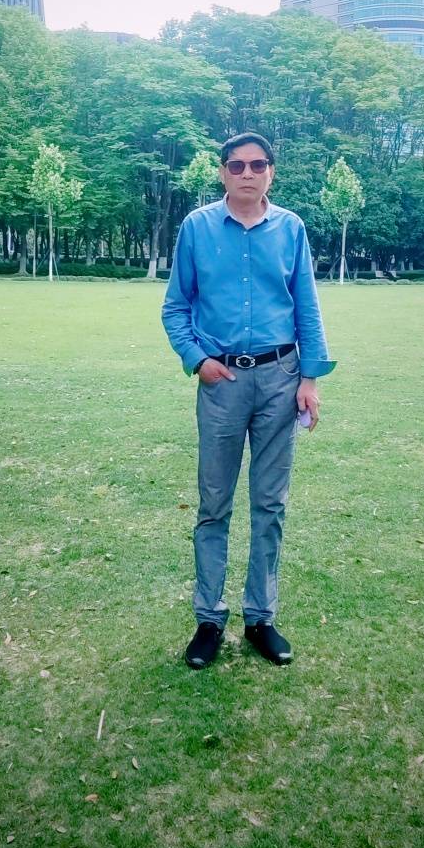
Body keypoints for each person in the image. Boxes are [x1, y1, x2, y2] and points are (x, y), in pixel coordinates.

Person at [161, 133, 335, 670]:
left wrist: (309, 379)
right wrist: (197, 360)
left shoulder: (291, 228)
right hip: (221, 383)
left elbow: (306, 306)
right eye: (236, 165)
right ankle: (209, 619)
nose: (247, 173)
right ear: (222, 172)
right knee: (214, 503)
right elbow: (175, 307)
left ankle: (260, 617)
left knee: (270, 503)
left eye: (258, 164)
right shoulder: (196, 227)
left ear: (271, 172)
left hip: (281, 379)